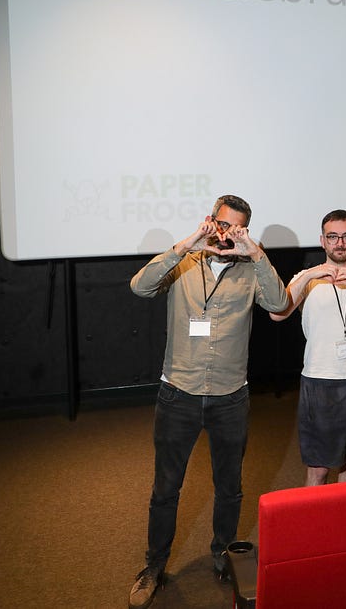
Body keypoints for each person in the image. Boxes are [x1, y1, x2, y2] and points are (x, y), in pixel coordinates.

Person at [128, 195, 289, 609]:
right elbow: (140, 286)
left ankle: (223, 554)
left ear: (245, 231)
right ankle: (154, 566)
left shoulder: (252, 269)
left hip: (229, 396)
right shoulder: (183, 261)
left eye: (235, 227)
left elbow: (278, 303)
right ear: (209, 221)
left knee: (229, 487)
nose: (225, 233)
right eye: (220, 223)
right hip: (177, 392)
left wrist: (256, 254)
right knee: (166, 488)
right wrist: (186, 244)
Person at [269, 210, 346, 486]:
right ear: (322, 241)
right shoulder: (306, 278)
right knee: (319, 467)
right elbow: (278, 314)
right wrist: (312, 273)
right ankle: (315, 526)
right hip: (320, 381)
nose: (339, 243)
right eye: (333, 237)